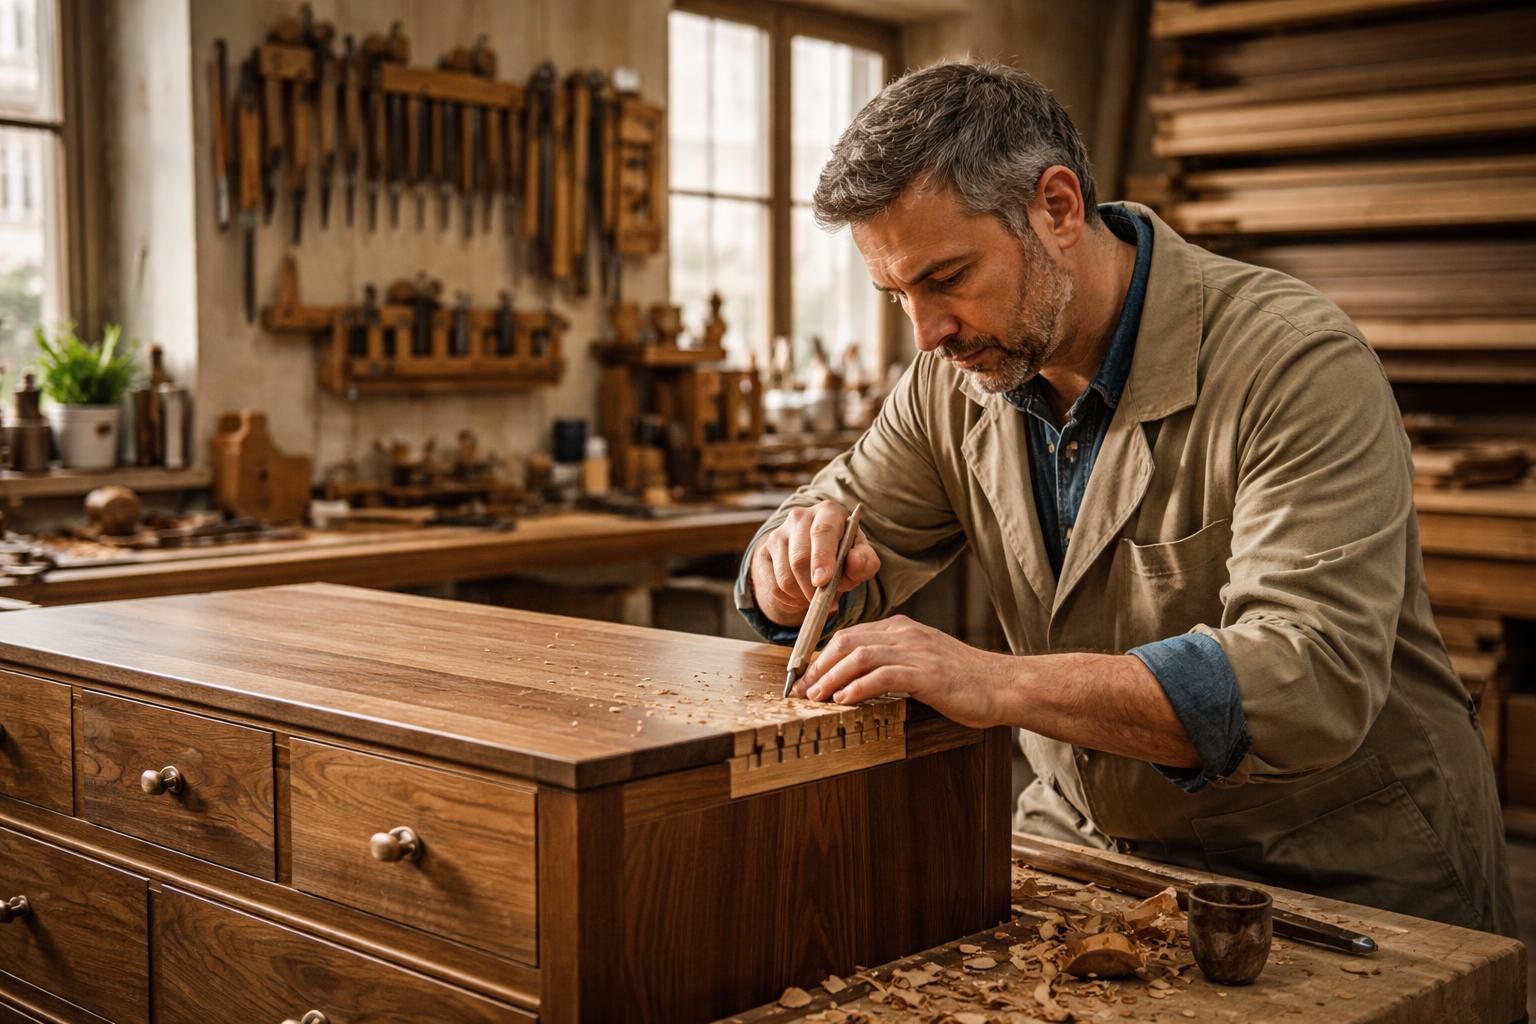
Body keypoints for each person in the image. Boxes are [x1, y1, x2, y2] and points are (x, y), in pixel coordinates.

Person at [735, 59, 1515, 936]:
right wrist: (787, 565)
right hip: (1092, 835)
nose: (926, 332)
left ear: (1058, 209)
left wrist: (994, 682)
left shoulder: (1295, 363)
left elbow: (1308, 676)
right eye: (896, 295)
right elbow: (836, 517)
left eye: (947, 278)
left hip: (1331, 857)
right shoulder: (952, 379)